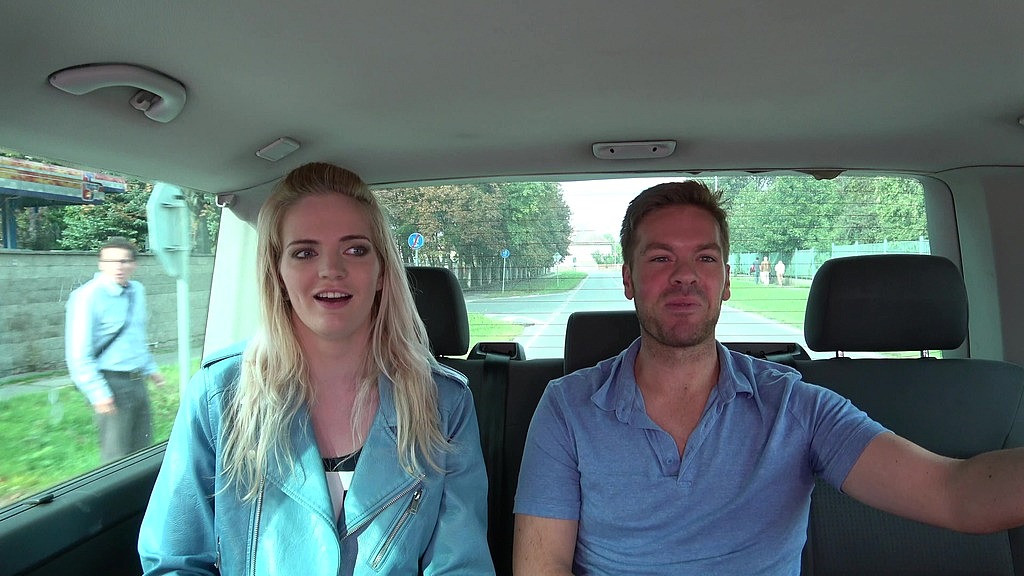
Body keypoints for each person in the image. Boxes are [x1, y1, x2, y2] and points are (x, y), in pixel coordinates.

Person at [512, 180, 1024, 575]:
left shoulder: (797, 407)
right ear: (628, 278)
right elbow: (541, 568)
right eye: (661, 258)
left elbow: (954, 492)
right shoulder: (568, 407)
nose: (685, 275)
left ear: (726, 281)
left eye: (705, 258)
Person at [138, 163, 494, 575]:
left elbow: (459, 565)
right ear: (278, 272)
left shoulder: (444, 403)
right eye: (305, 252)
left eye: (355, 250)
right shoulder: (219, 396)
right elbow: (175, 562)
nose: (331, 270)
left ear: (381, 271)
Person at [65, 236, 165, 463]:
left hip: (137, 381)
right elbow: (78, 354)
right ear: (100, 264)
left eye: (124, 261)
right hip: (111, 384)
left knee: (143, 451)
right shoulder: (86, 296)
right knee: (116, 458)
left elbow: (136, 336)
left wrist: (150, 369)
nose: (118, 267)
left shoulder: (136, 291)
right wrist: (97, 393)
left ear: (134, 265)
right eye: (111, 261)